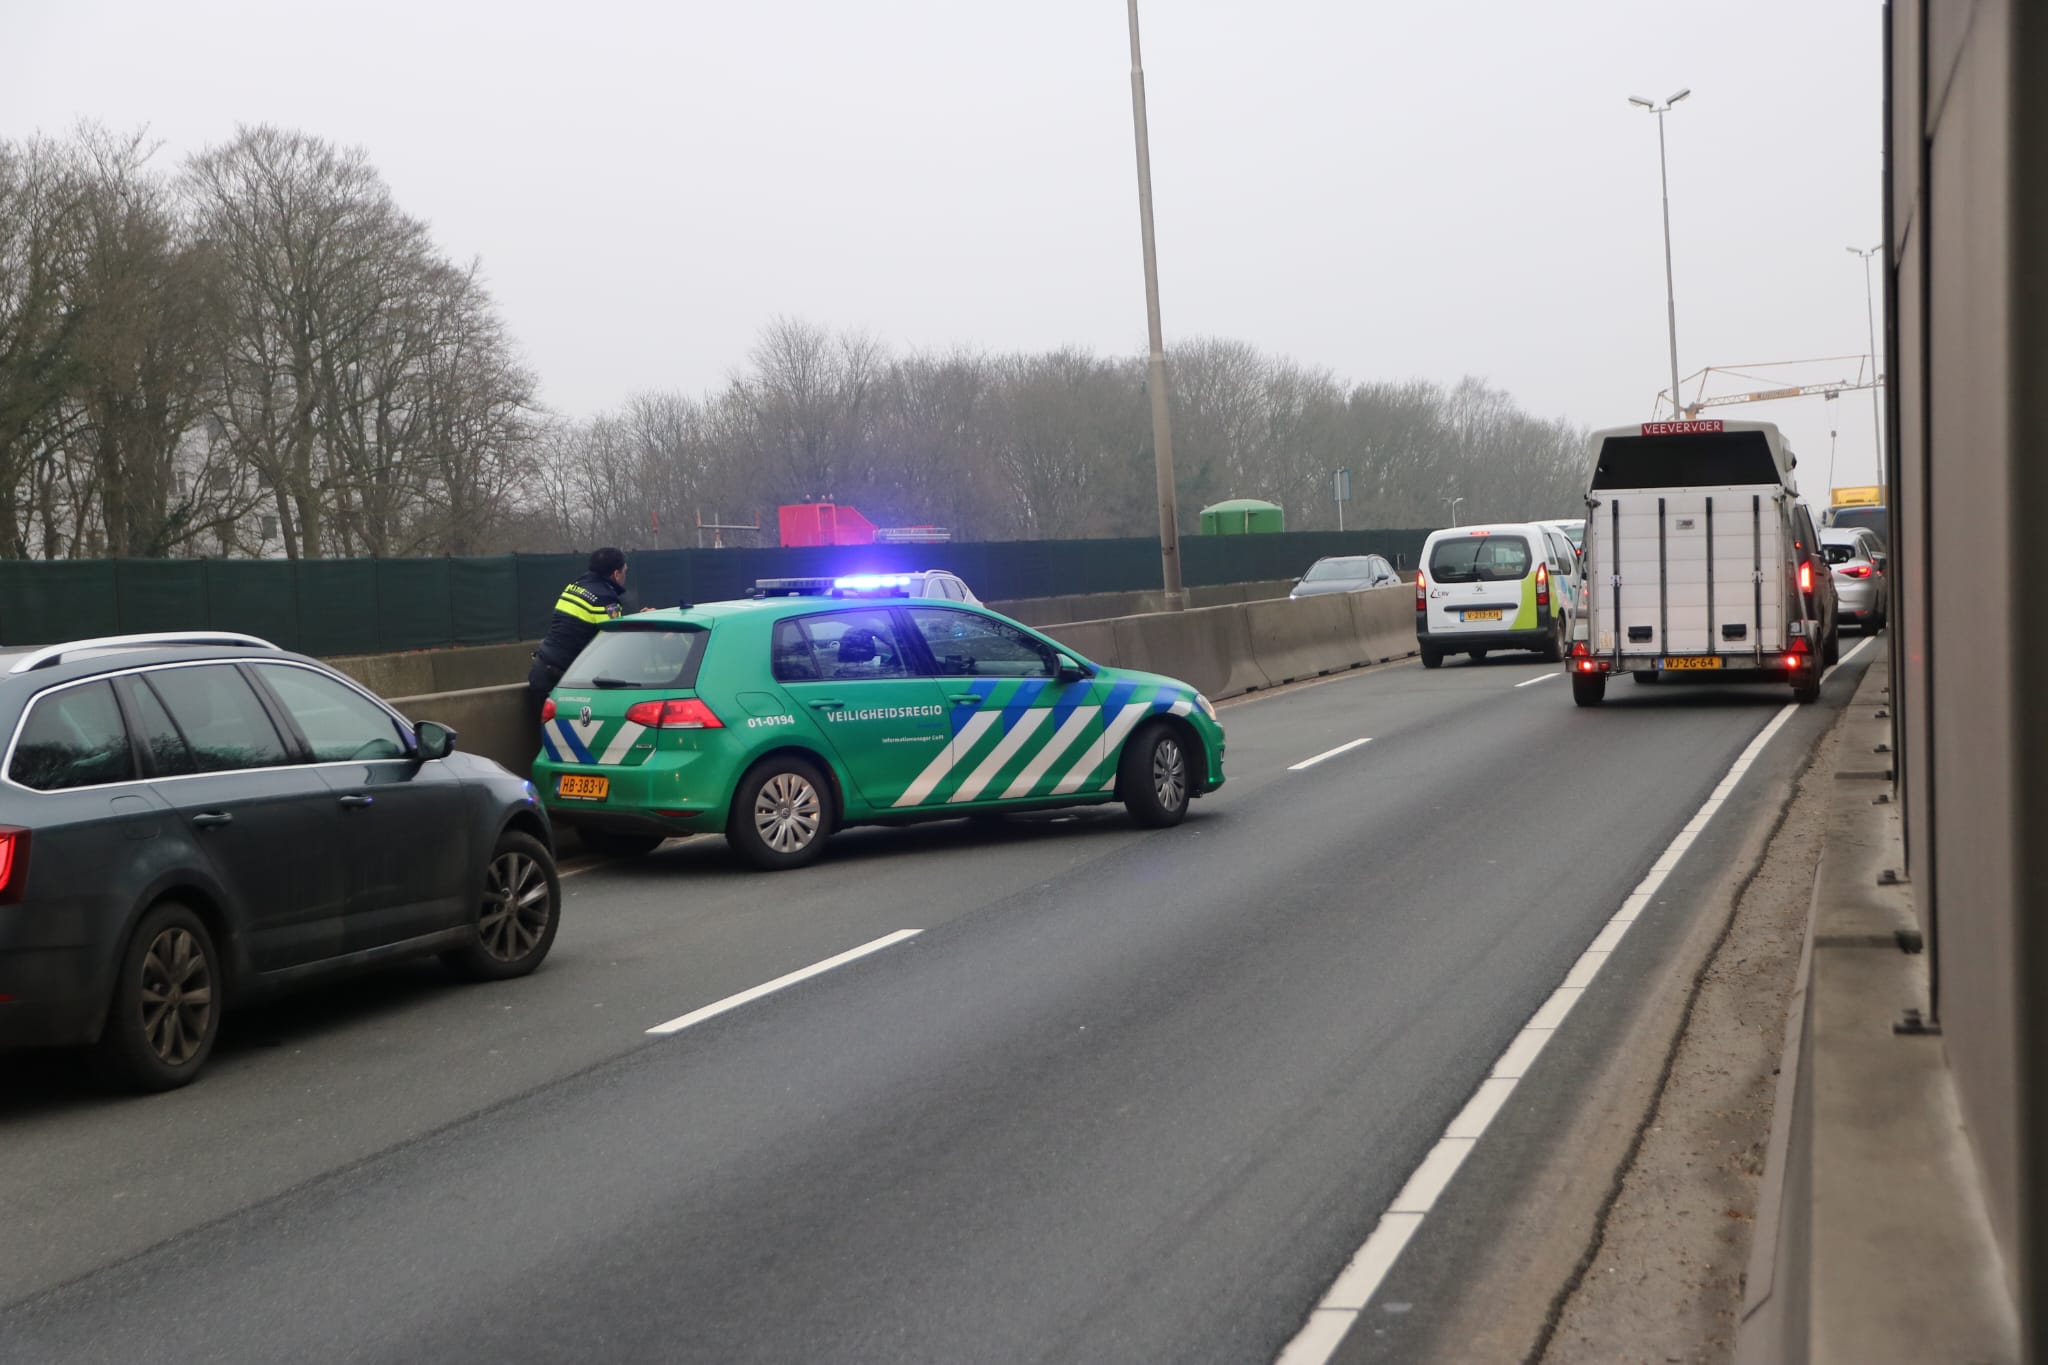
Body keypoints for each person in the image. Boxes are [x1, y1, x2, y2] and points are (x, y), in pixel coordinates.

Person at [528, 547, 628, 711]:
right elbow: (612, 645)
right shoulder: (606, 599)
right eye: (624, 572)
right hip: (562, 684)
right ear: (616, 574)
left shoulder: (574, 587)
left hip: (541, 672)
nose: (625, 576)